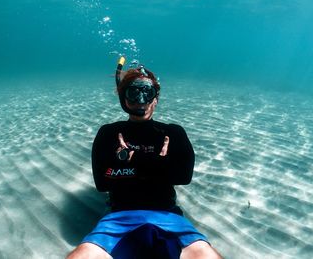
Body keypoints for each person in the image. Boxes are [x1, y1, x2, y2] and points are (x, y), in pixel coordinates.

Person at [67, 58, 222, 259]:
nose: (141, 100)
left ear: (155, 98)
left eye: (147, 92)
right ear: (124, 99)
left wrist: (130, 164)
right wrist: (157, 167)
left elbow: (184, 177)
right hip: (118, 217)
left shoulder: (173, 133)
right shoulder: (108, 133)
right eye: (133, 92)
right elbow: (102, 183)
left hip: (168, 215)